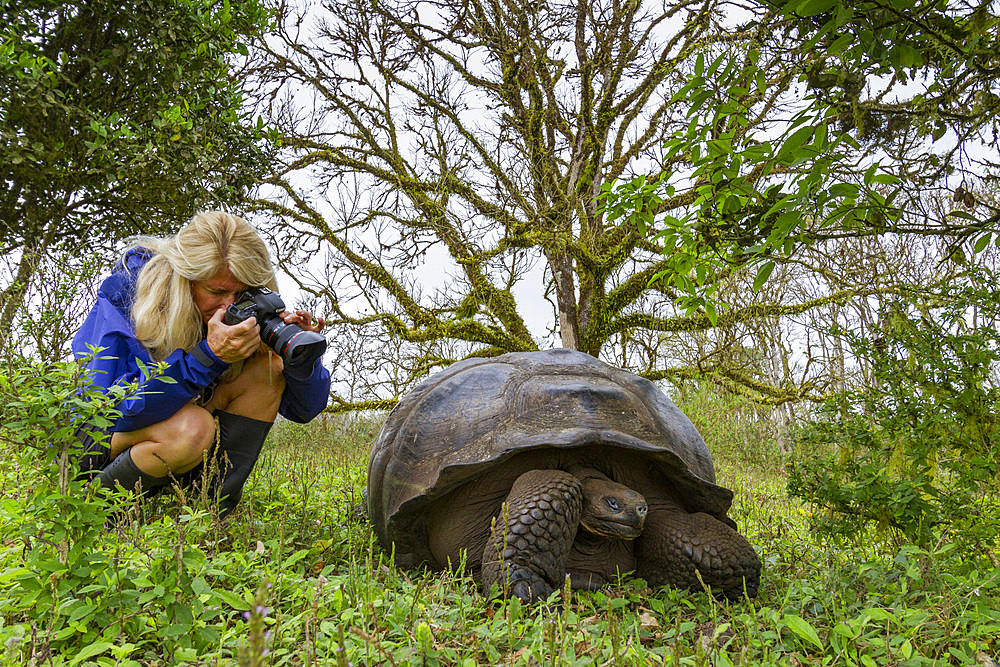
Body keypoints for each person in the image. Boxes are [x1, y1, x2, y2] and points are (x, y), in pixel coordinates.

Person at [72, 211, 331, 517]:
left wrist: (300, 363)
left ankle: (209, 517)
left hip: (177, 441)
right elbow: (119, 411)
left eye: (241, 293)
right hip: (99, 437)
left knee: (266, 366)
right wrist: (208, 357)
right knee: (192, 428)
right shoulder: (129, 290)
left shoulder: (242, 308)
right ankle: (92, 512)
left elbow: (303, 411)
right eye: (217, 291)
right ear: (187, 279)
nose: (229, 305)